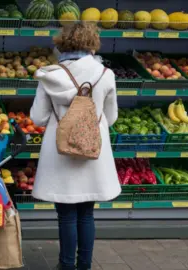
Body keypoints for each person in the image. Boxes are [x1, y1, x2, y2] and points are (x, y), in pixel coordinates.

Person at [29, 22, 121, 270]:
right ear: (92, 43)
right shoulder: (105, 74)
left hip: (59, 153)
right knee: (86, 214)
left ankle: (66, 265)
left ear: (62, 43)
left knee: (66, 215)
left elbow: (37, 118)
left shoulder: (50, 75)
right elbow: (111, 119)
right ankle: (85, 266)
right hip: (92, 151)